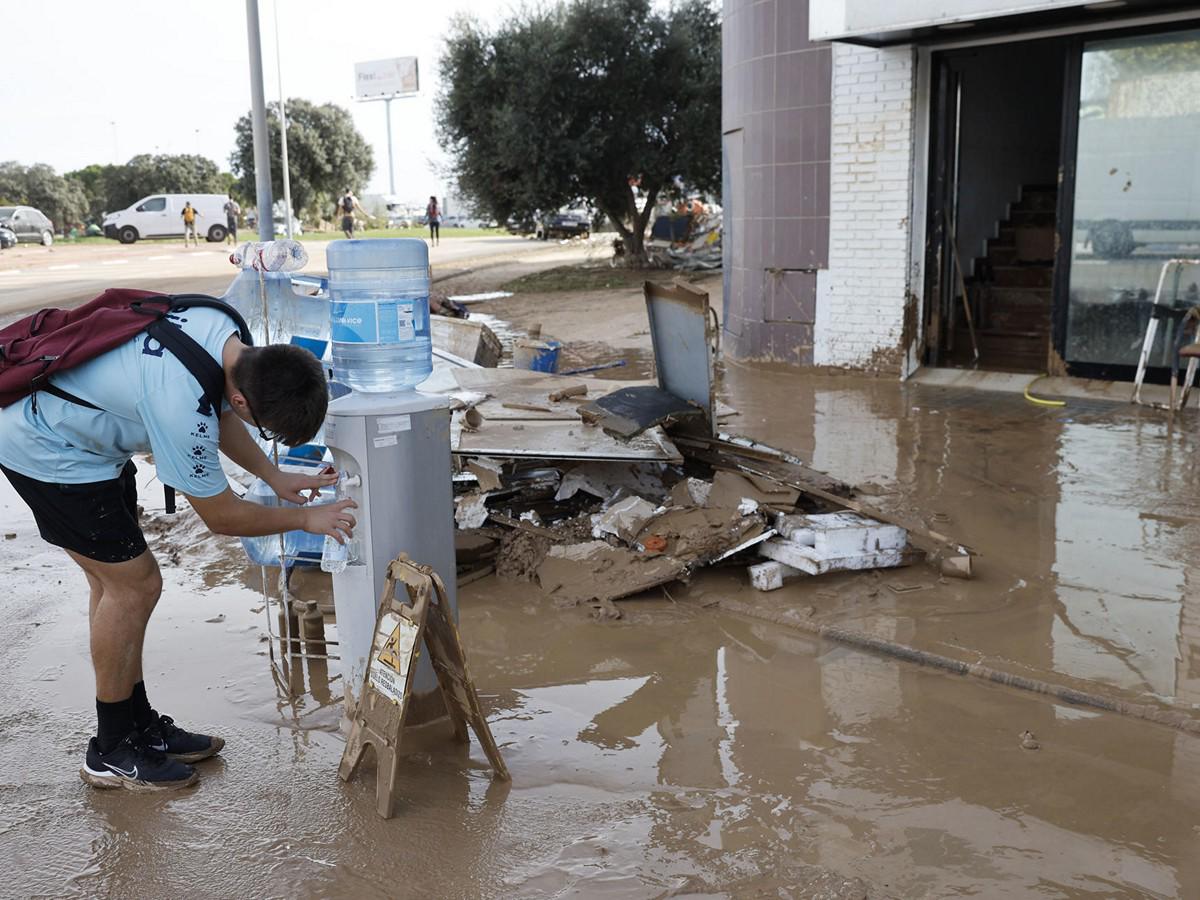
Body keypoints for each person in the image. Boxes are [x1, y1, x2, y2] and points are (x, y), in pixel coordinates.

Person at [0, 310, 356, 791]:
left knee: (116, 585)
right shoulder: (179, 403)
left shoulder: (223, 330)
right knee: (134, 586)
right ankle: (110, 749)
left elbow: (224, 412)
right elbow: (222, 516)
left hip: (88, 435)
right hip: (45, 446)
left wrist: (273, 477)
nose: (260, 434)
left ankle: (137, 723)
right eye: (267, 430)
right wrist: (306, 518)